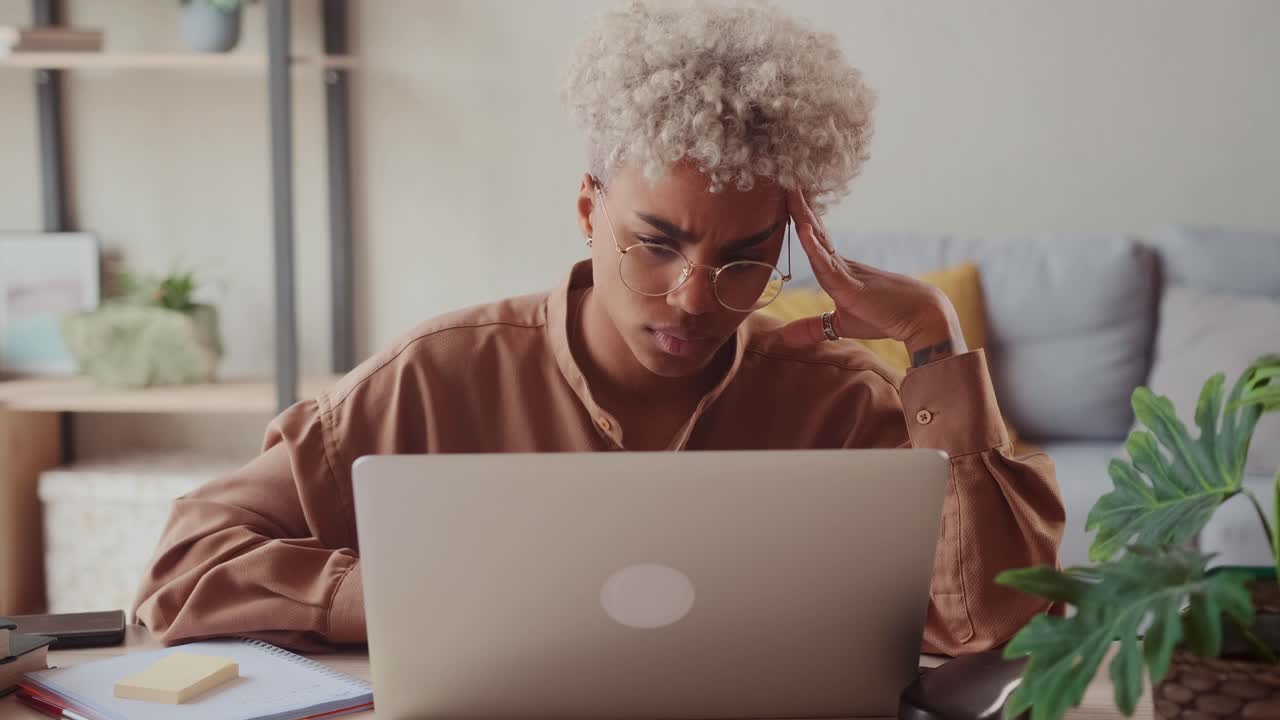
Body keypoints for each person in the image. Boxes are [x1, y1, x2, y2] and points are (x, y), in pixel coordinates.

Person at [134, 0, 1063, 657]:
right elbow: (180, 567)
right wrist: (395, 600)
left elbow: (989, 626)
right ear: (589, 210)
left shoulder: (843, 403)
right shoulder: (434, 378)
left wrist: (935, 345)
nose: (696, 298)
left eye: (746, 256)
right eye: (654, 243)